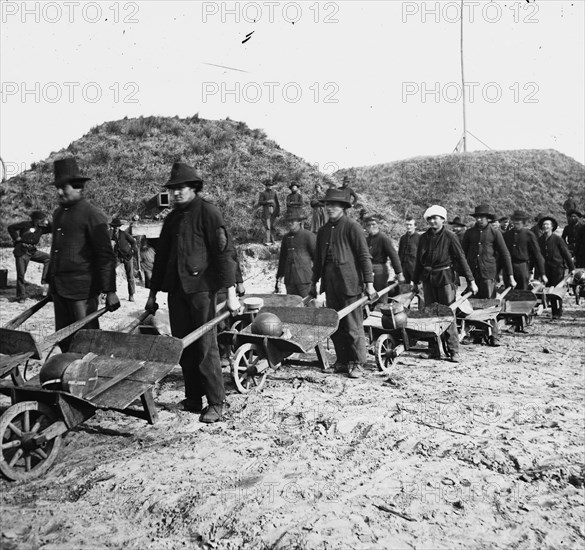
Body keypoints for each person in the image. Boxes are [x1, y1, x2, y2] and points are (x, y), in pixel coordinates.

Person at [145, 162, 239, 423]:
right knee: (183, 345)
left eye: (181, 188)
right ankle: (193, 397)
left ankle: (217, 403)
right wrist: (152, 295)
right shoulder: (172, 218)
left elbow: (223, 254)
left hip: (201, 291)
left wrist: (231, 292)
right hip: (177, 291)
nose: (176, 193)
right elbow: (161, 259)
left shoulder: (209, 213)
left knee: (205, 346)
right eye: (173, 189)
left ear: (194, 188)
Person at [48, 157, 120, 351]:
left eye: (65, 187)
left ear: (78, 187)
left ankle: (89, 375)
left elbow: (105, 256)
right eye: (58, 187)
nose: (59, 191)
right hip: (60, 289)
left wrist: (110, 291)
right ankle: (70, 374)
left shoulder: (92, 214)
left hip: (83, 291)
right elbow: (56, 251)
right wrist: (51, 284)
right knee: (64, 338)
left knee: (86, 339)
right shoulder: (58, 214)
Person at [309, 188, 375, 379]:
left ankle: (357, 363)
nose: (330, 208)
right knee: (335, 325)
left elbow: (364, 256)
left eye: (334, 205)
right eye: (327, 205)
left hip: (350, 284)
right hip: (331, 285)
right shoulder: (322, 231)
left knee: (353, 326)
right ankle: (342, 360)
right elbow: (319, 261)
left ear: (344, 207)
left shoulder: (352, 227)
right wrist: (314, 283)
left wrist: (369, 283)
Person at [412, 205, 478, 363]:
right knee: (430, 314)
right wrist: (415, 282)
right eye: (430, 218)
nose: (433, 221)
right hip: (428, 279)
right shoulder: (423, 237)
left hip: (445, 279)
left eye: (436, 218)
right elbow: (418, 263)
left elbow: (461, 258)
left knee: (448, 313)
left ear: (443, 220)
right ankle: (433, 349)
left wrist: (471, 281)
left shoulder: (450, 236)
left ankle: (453, 350)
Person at [462, 204, 515, 345]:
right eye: (477, 217)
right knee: (472, 305)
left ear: (488, 219)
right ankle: (473, 334)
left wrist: (510, 275)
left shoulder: (494, 233)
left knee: (489, 304)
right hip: (473, 275)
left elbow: (504, 254)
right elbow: (462, 254)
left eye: (482, 218)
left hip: (488, 274)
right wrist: (461, 274)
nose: (479, 220)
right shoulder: (469, 233)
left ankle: (494, 335)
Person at [8, 211, 52, 302]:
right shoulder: (25, 224)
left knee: (48, 258)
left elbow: (53, 228)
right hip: (21, 251)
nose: (43, 221)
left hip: (32, 251)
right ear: (36, 219)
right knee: (21, 275)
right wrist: (16, 238)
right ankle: (21, 296)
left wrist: (48, 222)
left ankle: (44, 280)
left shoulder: (41, 229)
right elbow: (11, 228)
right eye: (41, 220)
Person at [538, 215, 575, 319]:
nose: (545, 226)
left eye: (547, 224)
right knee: (548, 289)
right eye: (544, 224)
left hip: (557, 268)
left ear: (552, 227)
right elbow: (535, 255)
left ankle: (557, 312)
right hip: (546, 268)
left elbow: (566, 254)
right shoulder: (539, 240)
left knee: (556, 291)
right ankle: (552, 309)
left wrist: (572, 268)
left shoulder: (557, 239)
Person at [364, 215, 405, 304]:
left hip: (380, 270)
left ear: (378, 225)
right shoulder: (366, 239)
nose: (371, 227)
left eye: (373, 224)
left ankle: (381, 309)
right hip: (368, 269)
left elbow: (393, 256)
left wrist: (399, 273)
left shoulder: (383, 238)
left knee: (381, 294)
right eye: (369, 225)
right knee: (369, 294)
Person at [276, 210, 316, 298]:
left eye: (292, 221)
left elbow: (317, 258)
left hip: (305, 279)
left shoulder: (308, 236)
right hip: (290, 279)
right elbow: (283, 258)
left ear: (299, 222)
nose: (290, 223)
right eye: (288, 221)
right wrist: (279, 276)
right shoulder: (286, 238)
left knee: (309, 305)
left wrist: (315, 277)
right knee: (293, 305)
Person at [503, 211, 547, 290]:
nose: (516, 225)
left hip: (522, 266)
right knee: (508, 291)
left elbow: (537, 254)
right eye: (514, 222)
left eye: (518, 223)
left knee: (523, 291)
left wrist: (542, 273)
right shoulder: (507, 235)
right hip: (509, 267)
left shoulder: (529, 235)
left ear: (523, 223)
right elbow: (501, 254)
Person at [109, 218, 137, 301]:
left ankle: (131, 294)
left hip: (128, 256)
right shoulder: (111, 235)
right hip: (118, 257)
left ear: (119, 227)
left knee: (130, 276)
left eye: (117, 226)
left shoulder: (124, 234)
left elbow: (133, 241)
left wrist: (132, 249)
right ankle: (109, 293)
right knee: (110, 273)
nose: (115, 228)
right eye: (114, 227)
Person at [257, 178, 280, 245]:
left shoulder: (274, 193)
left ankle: (273, 240)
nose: (269, 186)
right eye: (267, 185)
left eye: (270, 185)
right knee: (268, 226)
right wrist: (267, 201)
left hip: (274, 210)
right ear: (266, 186)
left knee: (272, 225)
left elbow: (277, 202)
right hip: (266, 211)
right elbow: (260, 202)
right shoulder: (263, 193)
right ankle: (267, 241)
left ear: (272, 186)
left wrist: (278, 211)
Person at [398, 217, 420, 284]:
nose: (408, 227)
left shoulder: (420, 238)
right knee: (404, 288)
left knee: (418, 288)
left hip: (415, 268)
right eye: (407, 225)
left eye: (410, 225)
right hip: (404, 268)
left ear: (415, 226)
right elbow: (400, 253)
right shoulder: (403, 238)